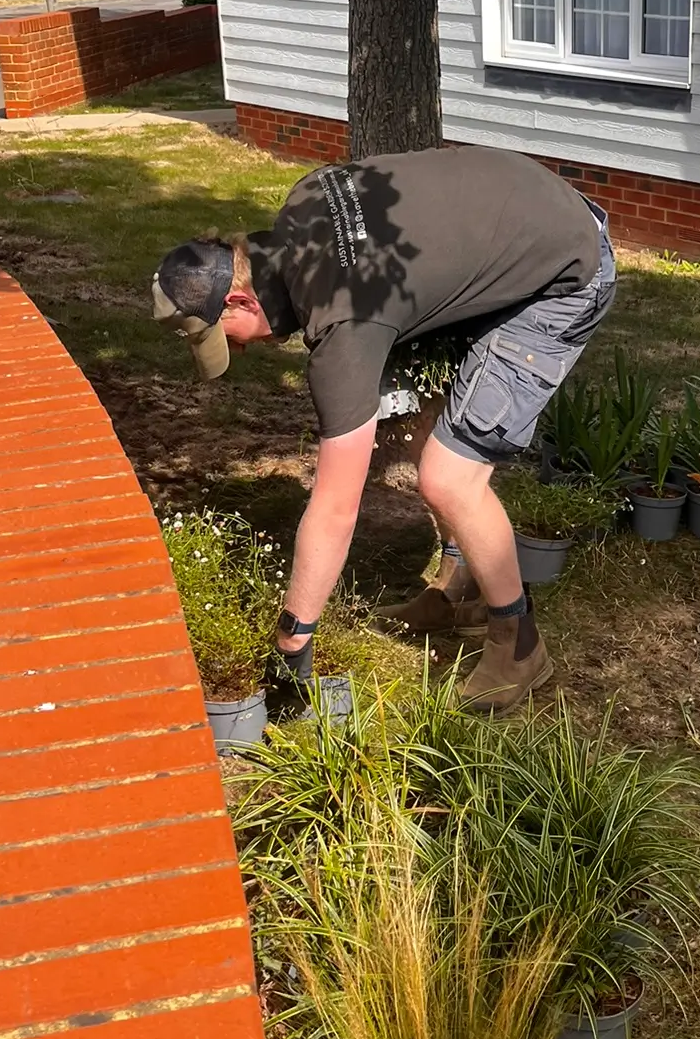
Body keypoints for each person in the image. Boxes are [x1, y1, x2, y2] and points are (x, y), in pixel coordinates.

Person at [151, 147, 615, 713]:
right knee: (416, 414)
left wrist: (292, 644)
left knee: (450, 478)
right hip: (517, 213)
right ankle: (459, 589)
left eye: (228, 337)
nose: (241, 351)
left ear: (242, 298)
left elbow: (335, 509)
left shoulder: (345, 322)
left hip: (564, 269)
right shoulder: (304, 201)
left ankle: (519, 645)